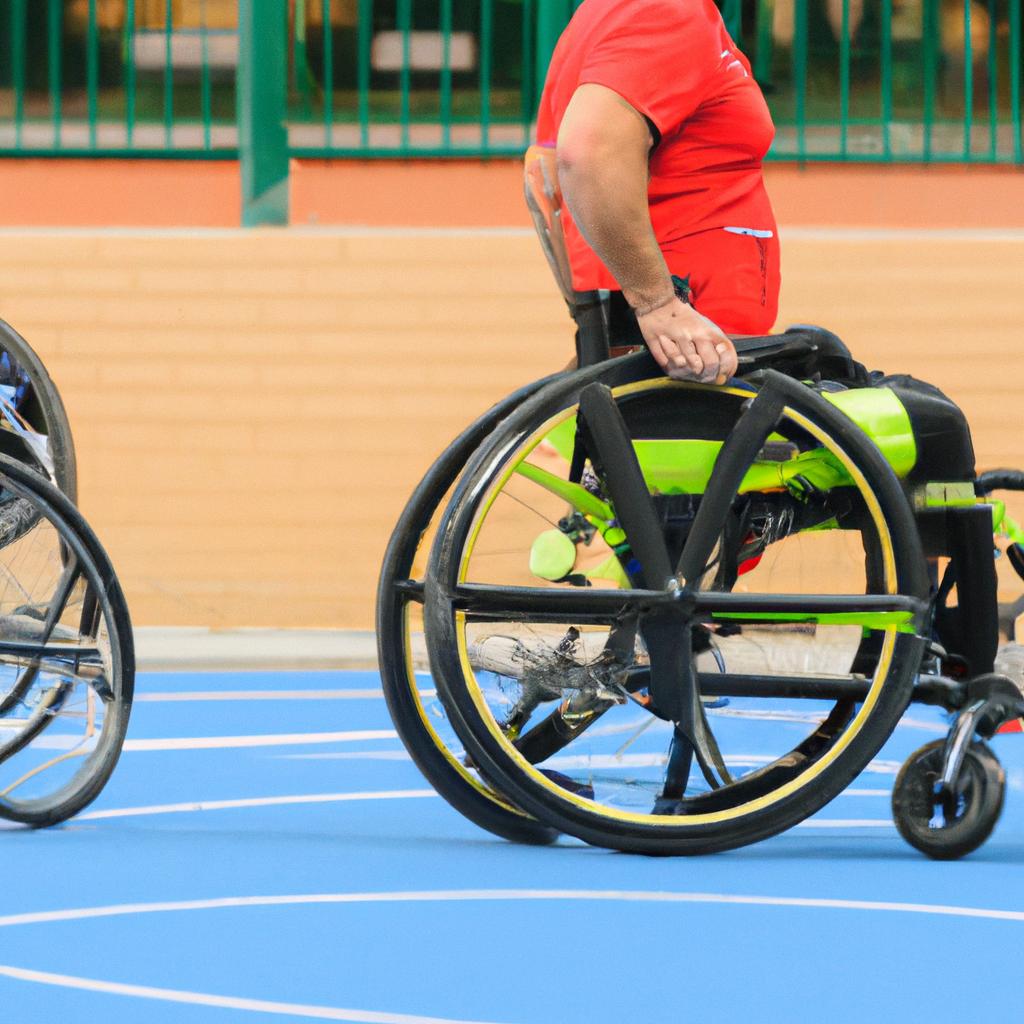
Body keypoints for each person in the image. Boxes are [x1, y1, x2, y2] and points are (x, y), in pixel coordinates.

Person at [536, 0, 781, 385]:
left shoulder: (609, 11)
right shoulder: (666, 10)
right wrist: (659, 306)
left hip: (684, 343)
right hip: (689, 351)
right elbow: (586, 153)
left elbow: (544, 169)